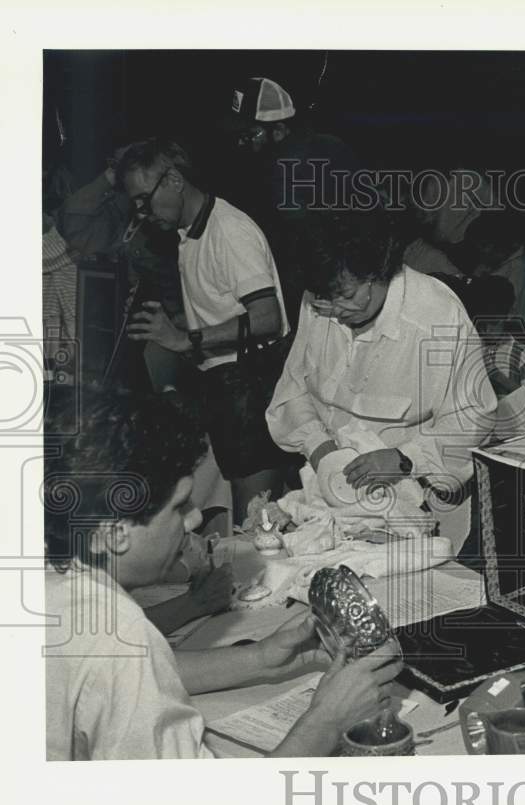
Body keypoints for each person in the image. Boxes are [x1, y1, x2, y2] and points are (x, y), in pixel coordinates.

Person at [44, 388, 402, 760]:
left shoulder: (53, 585)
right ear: (113, 533)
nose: (195, 518)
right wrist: (327, 720)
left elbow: (124, 672)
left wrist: (260, 658)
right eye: (179, 506)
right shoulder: (122, 633)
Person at [119, 138, 296, 523]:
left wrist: (187, 338)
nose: (141, 214)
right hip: (226, 389)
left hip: (254, 387)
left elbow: (267, 318)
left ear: (174, 180)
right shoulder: (189, 235)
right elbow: (224, 308)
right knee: (242, 519)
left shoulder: (229, 231)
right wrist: (179, 326)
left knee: (255, 525)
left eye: (143, 201)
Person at [265, 212, 497, 503]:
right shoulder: (322, 299)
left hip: (414, 495)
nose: (336, 310)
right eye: (324, 299)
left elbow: (473, 418)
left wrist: (405, 459)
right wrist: (317, 445)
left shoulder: (436, 317)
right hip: (330, 484)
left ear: (380, 272)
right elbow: (293, 387)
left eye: (347, 296)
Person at [227, 76, 362, 331]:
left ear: (278, 130)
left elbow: (312, 243)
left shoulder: (286, 170)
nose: (244, 143)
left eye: (250, 134)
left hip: (332, 297)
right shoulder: (326, 145)